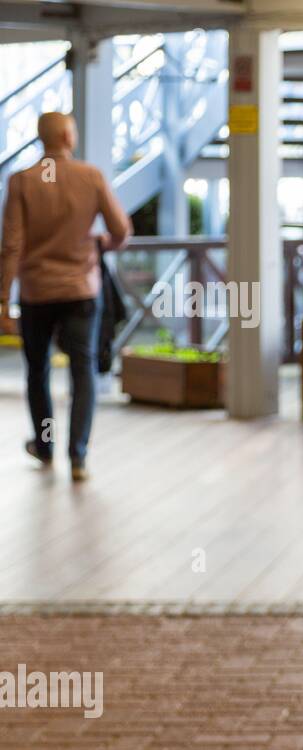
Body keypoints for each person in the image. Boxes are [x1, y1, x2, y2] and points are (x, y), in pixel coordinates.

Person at [0, 111, 132, 481]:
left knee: (38, 371)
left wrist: (3, 300)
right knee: (83, 370)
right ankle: (78, 456)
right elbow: (122, 229)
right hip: (80, 290)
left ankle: (45, 446)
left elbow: (11, 245)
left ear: (44, 138)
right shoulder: (89, 177)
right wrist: (101, 242)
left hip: (36, 291)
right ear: (68, 137)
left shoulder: (22, 182)